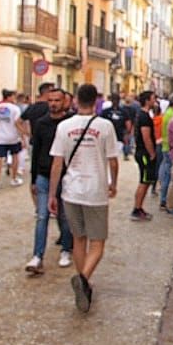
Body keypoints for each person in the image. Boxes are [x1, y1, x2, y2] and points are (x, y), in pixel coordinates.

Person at [49, 83, 120, 313]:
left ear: (76, 100)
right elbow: (113, 160)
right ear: (96, 101)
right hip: (96, 190)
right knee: (97, 242)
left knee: (79, 238)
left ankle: (84, 282)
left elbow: (57, 163)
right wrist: (114, 183)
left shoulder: (63, 126)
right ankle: (84, 279)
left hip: (71, 191)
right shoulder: (105, 126)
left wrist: (52, 193)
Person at [25, 84, 75, 274]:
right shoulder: (41, 124)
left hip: (66, 176)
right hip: (44, 176)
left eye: (57, 101)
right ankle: (37, 256)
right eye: (50, 101)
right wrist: (33, 180)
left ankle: (66, 249)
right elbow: (35, 153)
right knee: (42, 216)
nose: (53, 104)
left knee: (64, 216)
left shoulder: (70, 123)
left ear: (64, 102)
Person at [129, 89, 159, 222]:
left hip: (141, 152)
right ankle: (137, 209)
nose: (155, 101)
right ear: (147, 101)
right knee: (144, 181)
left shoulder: (141, 115)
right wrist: (152, 153)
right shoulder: (144, 117)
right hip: (145, 153)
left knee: (145, 181)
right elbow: (146, 137)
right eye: (153, 98)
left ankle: (139, 208)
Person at [0, 89, 23, 188]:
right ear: (8, 97)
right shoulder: (15, 108)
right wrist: (22, 135)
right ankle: (13, 178)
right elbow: (18, 123)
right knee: (15, 157)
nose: (14, 98)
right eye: (13, 96)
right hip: (13, 136)